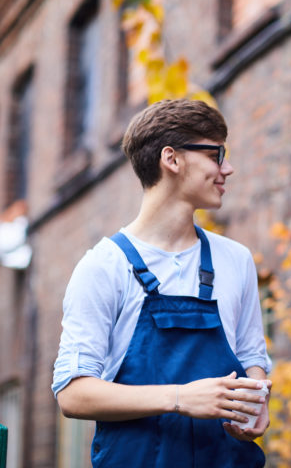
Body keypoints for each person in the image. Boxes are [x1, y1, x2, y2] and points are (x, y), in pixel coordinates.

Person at [52, 99, 272, 468]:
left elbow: (252, 356)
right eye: (216, 154)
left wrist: (257, 398)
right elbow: (73, 394)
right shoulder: (104, 267)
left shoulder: (235, 260)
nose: (228, 168)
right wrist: (180, 398)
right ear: (172, 159)